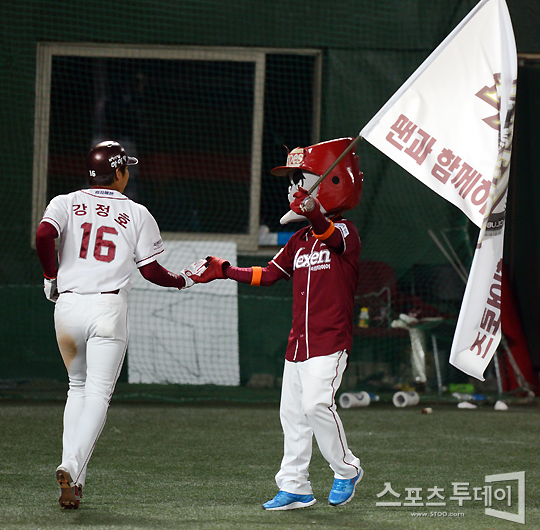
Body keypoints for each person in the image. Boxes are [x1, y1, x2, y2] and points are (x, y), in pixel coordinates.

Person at [192, 137, 365, 510]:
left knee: (318, 404)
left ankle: (346, 469)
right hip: (298, 346)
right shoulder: (299, 240)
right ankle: (295, 486)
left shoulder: (346, 232)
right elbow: (269, 274)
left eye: (301, 179)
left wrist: (317, 212)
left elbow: (332, 237)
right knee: (293, 417)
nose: (293, 188)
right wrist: (225, 271)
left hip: (329, 342)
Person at [35, 141, 206, 510]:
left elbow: (44, 236)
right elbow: (152, 271)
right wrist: (186, 280)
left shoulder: (63, 202)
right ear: (119, 173)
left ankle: (74, 482)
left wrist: (51, 275)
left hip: (67, 306)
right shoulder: (137, 213)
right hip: (107, 309)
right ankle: (72, 466)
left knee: (76, 388)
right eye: (126, 168)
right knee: (97, 394)